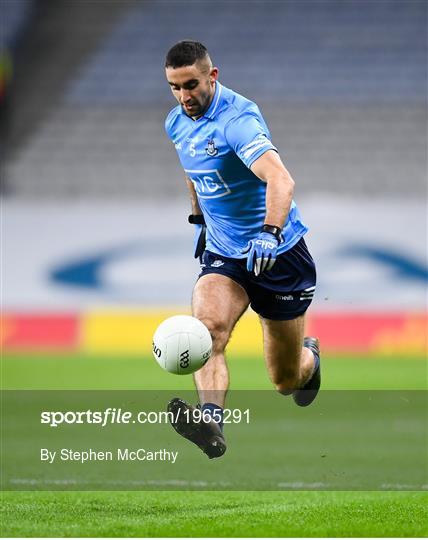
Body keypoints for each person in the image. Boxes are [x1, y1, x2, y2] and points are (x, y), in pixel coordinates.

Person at [164, 41, 320, 459]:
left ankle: (310, 361)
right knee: (209, 330)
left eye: (192, 85)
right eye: (175, 88)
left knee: (286, 381)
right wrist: (198, 218)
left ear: (212, 76)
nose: (184, 97)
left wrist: (269, 232)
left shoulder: (238, 120)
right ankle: (211, 421)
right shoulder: (176, 122)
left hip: (278, 253)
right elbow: (193, 171)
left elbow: (281, 181)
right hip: (225, 254)